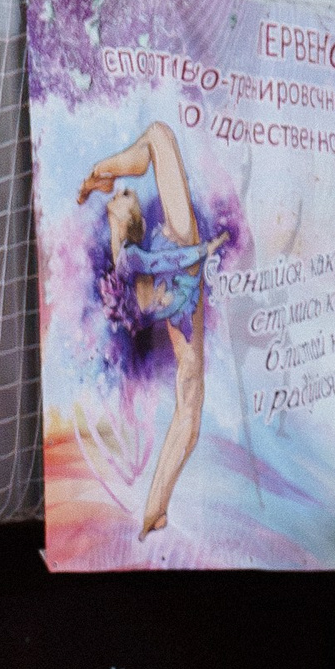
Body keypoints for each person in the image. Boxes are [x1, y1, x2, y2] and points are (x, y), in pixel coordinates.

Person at [78, 121, 228, 538]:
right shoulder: (142, 251)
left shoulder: (125, 253)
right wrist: (204, 249)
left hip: (173, 295)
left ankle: (154, 509)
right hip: (180, 268)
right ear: (127, 219)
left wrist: (99, 179)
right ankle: (154, 509)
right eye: (126, 196)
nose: (131, 195)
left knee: (190, 404)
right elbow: (167, 263)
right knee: (159, 136)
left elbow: (150, 273)